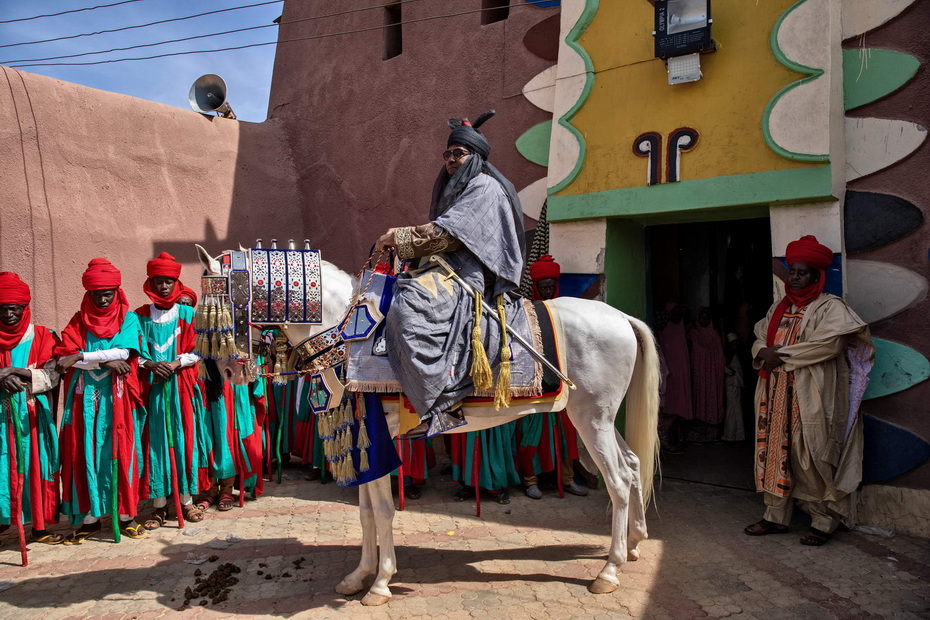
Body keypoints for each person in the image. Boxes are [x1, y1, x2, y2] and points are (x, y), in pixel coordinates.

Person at [375, 112, 525, 438]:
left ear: (476, 157)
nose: (451, 160)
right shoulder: (455, 190)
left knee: (406, 311)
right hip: (440, 270)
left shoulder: (485, 188)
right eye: (447, 154)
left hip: (465, 276)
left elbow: (449, 235)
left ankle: (444, 405)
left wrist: (398, 237)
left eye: (459, 153)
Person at [744, 235, 872, 546]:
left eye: (802, 272)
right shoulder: (778, 308)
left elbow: (828, 345)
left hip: (811, 394)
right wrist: (763, 351)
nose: (795, 277)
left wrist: (777, 356)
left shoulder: (830, 308)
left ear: (817, 276)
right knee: (773, 452)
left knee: (811, 454)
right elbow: (758, 336)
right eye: (792, 271)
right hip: (774, 393)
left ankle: (823, 520)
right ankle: (775, 516)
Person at [56, 258, 147, 543]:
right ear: (89, 294)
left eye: (108, 292)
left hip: (118, 401)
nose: (103, 297)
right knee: (86, 454)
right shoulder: (78, 320)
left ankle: (126, 516)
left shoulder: (128, 318)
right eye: (97, 293)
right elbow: (63, 358)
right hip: (86, 402)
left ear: (117, 291)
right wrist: (104, 362)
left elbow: (125, 352)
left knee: (121, 453)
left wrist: (85, 357)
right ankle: (91, 518)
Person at [136, 252, 207, 529]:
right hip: (154, 389)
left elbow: (199, 349)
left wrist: (177, 362)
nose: (163, 286)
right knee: (157, 444)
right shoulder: (139, 316)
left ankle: (187, 501)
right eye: (158, 282)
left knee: (184, 439)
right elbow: (134, 351)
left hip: (182, 387)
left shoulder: (188, 314)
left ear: (176, 282)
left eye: (168, 281)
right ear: (150, 283)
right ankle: (159, 506)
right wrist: (151, 364)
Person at [516, 255, 587, 499]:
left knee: (566, 435)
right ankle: (530, 480)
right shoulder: (526, 312)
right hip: (535, 383)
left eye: (550, 286)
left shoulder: (565, 311)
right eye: (542, 287)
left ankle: (567, 479)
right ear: (536, 287)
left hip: (562, 381)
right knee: (531, 435)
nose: (547, 291)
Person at [0, 273, 63, 545]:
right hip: (2, 419)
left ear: (25, 309)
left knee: (35, 467)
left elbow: (54, 374)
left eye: (15, 309)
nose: (9, 315)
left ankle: (39, 526)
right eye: (3, 310)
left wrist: (20, 373)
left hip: (32, 418)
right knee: (3, 470)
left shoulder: (43, 335)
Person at [687, 306, 725, 441]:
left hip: (713, 376)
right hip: (699, 376)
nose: (704, 320)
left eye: (707, 317)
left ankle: (712, 433)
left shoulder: (714, 333)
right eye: (701, 317)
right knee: (699, 399)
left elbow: (721, 352)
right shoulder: (693, 333)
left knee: (713, 398)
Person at [721, 333, 746, 442]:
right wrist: (730, 372)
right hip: (731, 385)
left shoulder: (735, 356)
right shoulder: (729, 356)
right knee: (732, 410)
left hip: (735, 385)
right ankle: (731, 435)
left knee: (736, 410)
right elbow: (724, 367)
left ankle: (736, 435)